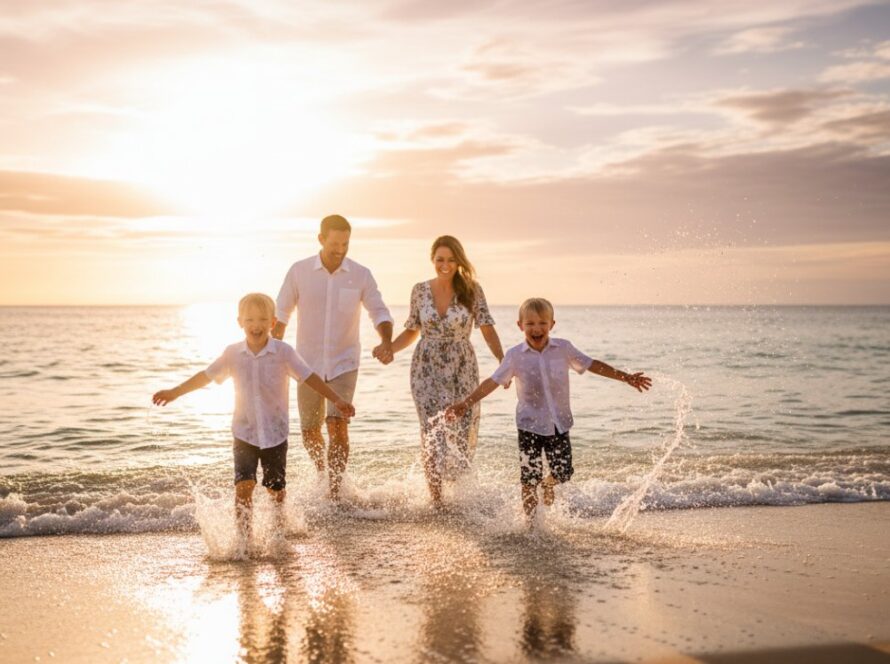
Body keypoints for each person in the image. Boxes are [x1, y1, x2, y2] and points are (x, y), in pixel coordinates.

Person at [152, 293, 356, 541]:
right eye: (249, 319)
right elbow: (206, 375)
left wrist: (336, 399)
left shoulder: (283, 352)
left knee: (275, 490)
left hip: (275, 434)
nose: (255, 325)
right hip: (244, 433)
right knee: (243, 486)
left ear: (272, 323)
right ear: (240, 322)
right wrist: (175, 392)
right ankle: (244, 542)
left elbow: (309, 376)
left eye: (262, 319)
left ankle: (280, 534)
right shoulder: (233, 353)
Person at [447, 297, 651, 518]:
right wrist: (466, 403)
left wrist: (625, 377)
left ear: (552, 324)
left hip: (559, 423)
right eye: (531, 324)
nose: (537, 328)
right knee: (528, 479)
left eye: (542, 323)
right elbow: (493, 381)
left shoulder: (563, 348)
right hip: (529, 425)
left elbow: (592, 365)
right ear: (520, 325)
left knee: (563, 473)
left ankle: (549, 484)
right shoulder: (515, 355)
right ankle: (531, 527)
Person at [273, 214, 393, 500]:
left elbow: (379, 310)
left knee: (337, 425)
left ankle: (335, 492)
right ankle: (322, 475)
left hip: (344, 362)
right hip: (306, 364)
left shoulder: (361, 274)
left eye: (345, 244)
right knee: (309, 432)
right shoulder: (299, 271)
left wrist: (386, 341)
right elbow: (281, 313)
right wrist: (269, 352)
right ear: (321, 239)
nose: (340, 249)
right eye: (335, 243)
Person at [390, 235, 505, 507]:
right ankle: (437, 499)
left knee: (460, 429)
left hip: (461, 366)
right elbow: (412, 329)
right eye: (440, 259)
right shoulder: (419, 290)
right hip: (425, 366)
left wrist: (504, 360)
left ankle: (457, 493)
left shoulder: (472, 290)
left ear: (459, 261)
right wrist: (389, 349)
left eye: (451, 260)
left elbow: (486, 327)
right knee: (432, 428)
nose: (445, 265)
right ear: (433, 260)